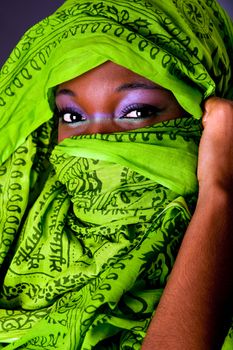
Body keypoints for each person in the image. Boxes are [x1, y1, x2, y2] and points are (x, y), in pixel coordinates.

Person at [0, 0, 232, 349]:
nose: (96, 143)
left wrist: (218, 195)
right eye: (72, 117)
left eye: (137, 111)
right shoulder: (17, 224)